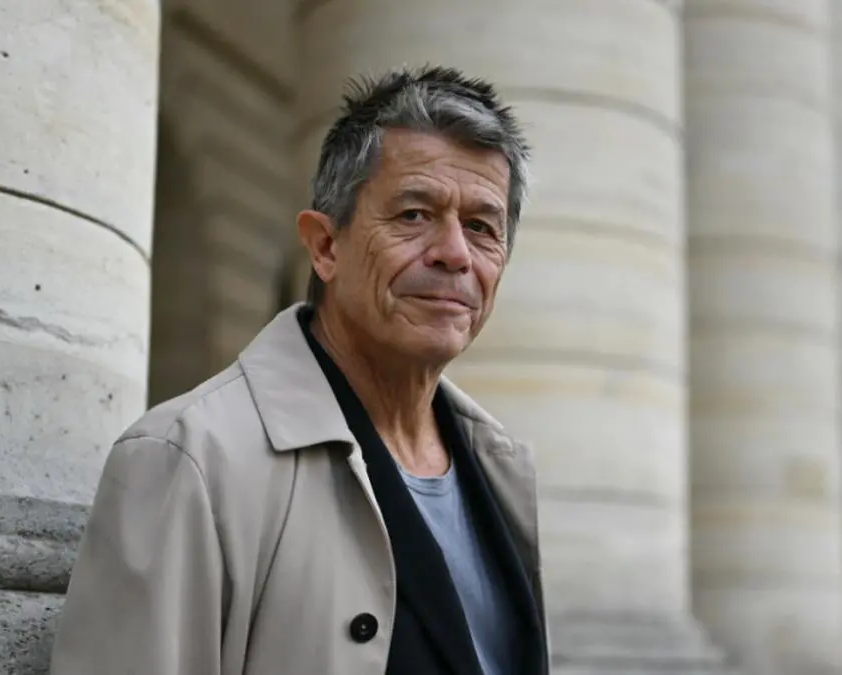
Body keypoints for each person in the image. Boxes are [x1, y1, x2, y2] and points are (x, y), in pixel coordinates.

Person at [50, 65, 548, 675]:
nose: (454, 253)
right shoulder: (188, 457)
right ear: (325, 246)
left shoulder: (499, 467)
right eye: (414, 215)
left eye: (481, 227)